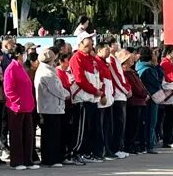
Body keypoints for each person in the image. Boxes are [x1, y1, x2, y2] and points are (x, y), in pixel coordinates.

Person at [70, 33, 105, 163]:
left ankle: (88, 152)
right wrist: (95, 91)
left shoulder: (91, 59)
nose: (89, 48)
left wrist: (100, 92)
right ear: (79, 45)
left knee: (92, 128)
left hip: (92, 98)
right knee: (82, 129)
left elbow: (98, 76)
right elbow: (80, 80)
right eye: (86, 45)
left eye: (91, 45)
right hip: (83, 98)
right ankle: (77, 152)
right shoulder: (76, 58)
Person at [3, 45, 37, 170]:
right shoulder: (11, 68)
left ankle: (28, 160)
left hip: (27, 107)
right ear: (18, 54)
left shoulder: (20, 68)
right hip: (16, 107)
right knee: (16, 134)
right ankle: (17, 161)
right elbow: (8, 89)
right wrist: (17, 101)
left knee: (28, 134)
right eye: (23, 53)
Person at [35, 48, 69, 168]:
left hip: (49, 107)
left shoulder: (45, 71)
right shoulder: (47, 73)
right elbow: (57, 90)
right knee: (51, 135)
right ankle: (51, 159)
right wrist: (67, 94)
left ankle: (50, 158)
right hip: (50, 107)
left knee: (49, 134)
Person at [104, 37, 130, 159]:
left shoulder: (116, 59)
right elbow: (115, 77)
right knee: (118, 123)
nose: (117, 45)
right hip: (118, 94)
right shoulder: (110, 59)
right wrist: (125, 89)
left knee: (121, 124)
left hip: (122, 93)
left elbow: (121, 76)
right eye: (114, 43)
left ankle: (119, 147)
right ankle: (115, 148)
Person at [135, 48, 164, 154]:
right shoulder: (148, 70)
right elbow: (157, 82)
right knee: (151, 122)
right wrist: (157, 67)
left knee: (145, 122)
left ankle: (145, 143)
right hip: (151, 98)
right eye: (153, 54)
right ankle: (149, 144)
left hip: (145, 98)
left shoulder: (139, 66)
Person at [123, 51, 148, 154]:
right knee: (131, 125)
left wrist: (145, 93)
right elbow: (134, 87)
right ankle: (129, 145)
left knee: (137, 125)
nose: (132, 60)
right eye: (130, 59)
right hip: (134, 101)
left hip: (139, 101)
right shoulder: (126, 73)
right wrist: (143, 94)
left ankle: (134, 145)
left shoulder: (132, 72)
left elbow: (140, 84)